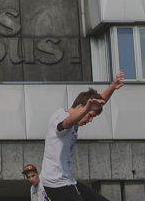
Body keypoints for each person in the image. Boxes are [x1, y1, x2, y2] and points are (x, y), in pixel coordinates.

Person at [40, 73, 125, 201]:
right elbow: (66, 123)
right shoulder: (60, 118)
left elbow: (99, 101)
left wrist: (112, 87)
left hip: (66, 181)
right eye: (89, 115)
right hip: (55, 184)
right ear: (80, 108)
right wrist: (86, 110)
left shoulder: (78, 114)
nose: (89, 120)